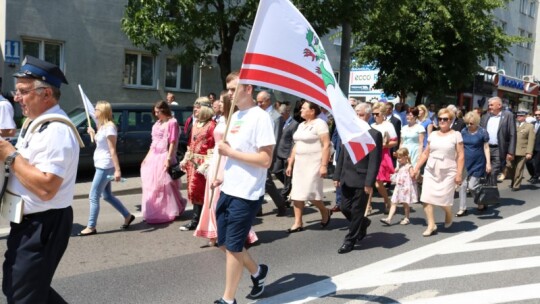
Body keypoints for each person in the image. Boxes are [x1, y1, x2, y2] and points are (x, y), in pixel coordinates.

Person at [0, 56, 81, 303]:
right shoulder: (36, 124)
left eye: (23, 92)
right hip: (29, 222)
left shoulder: (56, 130)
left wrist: (10, 155)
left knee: (22, 294)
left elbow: (47, 188)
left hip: (44, 224)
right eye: (18, 91)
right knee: (21, 289)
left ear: (46, 93)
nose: (16, 98)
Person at [212, 72, 274, 304]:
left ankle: (228, 299)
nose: (229, 93)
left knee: (233, 246)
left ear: (248, 89)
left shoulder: (260, 117)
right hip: (229, 188)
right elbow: (231, 153)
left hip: (247, 193)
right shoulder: (235, 116)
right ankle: (258, 272)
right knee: (224, 244)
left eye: (233, 89)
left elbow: (265, 160)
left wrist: (231, 152)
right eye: (227, 89)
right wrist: (220, 174)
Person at [194, 93, 258, 246]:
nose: (218, 104)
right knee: (211, 194)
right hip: (217, 156)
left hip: (227, 157)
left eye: (222, 102)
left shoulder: (235, 119)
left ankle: (232, 232)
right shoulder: (220, 119)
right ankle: (213, 231)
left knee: (222, 195)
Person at [78, 101, 135, 236]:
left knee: (93, 196)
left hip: (105, 166)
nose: (94, 111)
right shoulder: (102, 126)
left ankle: (91, 226)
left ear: (103, 111)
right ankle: (127, 216)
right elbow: (100, 142)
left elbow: (112, 150)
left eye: (96, 109)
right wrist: (93, 132)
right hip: (101, 164)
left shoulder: (110, 127)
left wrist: (118, 170)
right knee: (107, 195)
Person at [333, 102, 382, 254]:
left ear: (368, 116)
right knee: (344, 207)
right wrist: (337, 175)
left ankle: (350, 240)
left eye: (361, 115)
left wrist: (369, 182)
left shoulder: (374, 134)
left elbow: (375, 161)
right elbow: (342, 155)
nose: (358, 117)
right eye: (356, 114)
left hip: (362, 178)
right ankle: (363, 222)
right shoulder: (349, 132)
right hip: (347, 177)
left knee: (357, 210)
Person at [413, 108, 464, 237]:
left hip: (448, 170)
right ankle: (431, 225)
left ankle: (448, 213)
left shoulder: (456, 135)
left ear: (451, 120)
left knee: (444, 200)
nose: (442, 121)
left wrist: (459, 174)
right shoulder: (433, 134)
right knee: (426, 197)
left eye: (445, 119)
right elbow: (426, 153)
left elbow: (461, 155)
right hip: (431, 169)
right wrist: (416, 168)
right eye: (440, 119)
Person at [286, 101, 332, 233]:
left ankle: (325, 211)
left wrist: (324, 165)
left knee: (311, 193)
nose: (300, 110)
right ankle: (298, 222)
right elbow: (296, 145)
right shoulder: (301, 125)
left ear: (312, 111)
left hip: (314, 163)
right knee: (297, 193)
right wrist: (290, 163)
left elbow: (326, 145)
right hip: (300, 163)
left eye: (304, 108)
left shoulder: (320, 124)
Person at [141, 100, 186, 224]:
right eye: (155, 112)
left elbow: (172, 142)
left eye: (158, 112)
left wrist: (168, 159)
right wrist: (146, 158)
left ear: (164, 110)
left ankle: (170, 210)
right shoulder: (157, 124)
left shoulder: (172, 123)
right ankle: (157, 210)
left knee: (166, 185)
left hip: (164, 155)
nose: (156, 114)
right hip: (154, 156)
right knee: (153, 186)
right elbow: (153, 143)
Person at [179, 97, 216, 231]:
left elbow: (214, 147)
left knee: (202, 192)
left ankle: (199, 220)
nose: (195, 109)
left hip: (203, 164)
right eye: (195, 107)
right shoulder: (196, 124)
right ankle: (198, 219)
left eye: (198, 107)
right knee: (193, 191)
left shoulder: (212, 125)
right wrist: (185, 159)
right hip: (193, 162)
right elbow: (191, 145)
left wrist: (206, 164)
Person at [257, 90, 287, 216]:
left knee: (266, 181)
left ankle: (281, 204)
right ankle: (257, 208)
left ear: (268, 100)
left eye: (261, 102)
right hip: (255, 151)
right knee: (258, 180)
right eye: (257, 102)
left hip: (267, 153)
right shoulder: (257, 113)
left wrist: (270, 157)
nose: (258, 104)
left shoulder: (276, 117)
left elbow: (275, 139)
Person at [366, 102, 397, 216]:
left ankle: (386, 200)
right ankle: (368, 205)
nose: (375, 116)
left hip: (382, 155)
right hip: (371, 154)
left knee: (378, 183)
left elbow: (394, 142)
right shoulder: (372, 126)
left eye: (377, 113)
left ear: (383, 113)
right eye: (373, 114)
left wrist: (383, 145)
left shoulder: (388, 125)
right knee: (369, 181)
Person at [458, 111, 491, 216]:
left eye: (471, 123)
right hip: (465, 162)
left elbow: (486, 148)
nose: (468, 125)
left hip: (478, 162)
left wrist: (488, 163)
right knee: (462, 186)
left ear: (476, 122)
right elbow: (459, 147)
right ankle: (462, 208)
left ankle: (481, 201)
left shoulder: (482, 132)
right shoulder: (463, 131)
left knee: (472, 186)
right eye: (467, 123)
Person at [479, 96, 516, 187]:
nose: (489, 107)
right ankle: (491, 193)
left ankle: (490, 193)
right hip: (485, 148)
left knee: (493, 171)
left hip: (499, 149)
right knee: (485, 171)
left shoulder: (508, 115)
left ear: (499, 105)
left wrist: (511, 152)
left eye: (491, 105)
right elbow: (480, 131)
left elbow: (513, 134)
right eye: (489, 105)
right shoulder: (485, 116)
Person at [381, 148, 417, 226]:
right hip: (398, 187)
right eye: (397, 158)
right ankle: (389, 219)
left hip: (405, 188)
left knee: (405, 204)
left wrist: (414, 174)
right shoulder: (400, 165)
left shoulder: (409, 166)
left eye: (400, 158)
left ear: (406, 157)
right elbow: (395, 171)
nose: (398, 159)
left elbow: (412, 175)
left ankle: (407, 218)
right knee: (393, 202)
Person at [272, 102, 299, 205]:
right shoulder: (280, 122)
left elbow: (294, 141)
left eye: (282, 113)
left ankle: (283, 198)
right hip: (279, 152)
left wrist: (291, 156)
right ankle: (290, 187)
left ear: (287, 112)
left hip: (288, 153)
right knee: (276, 171)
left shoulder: (294, 124)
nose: (280, 115)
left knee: (287, 176)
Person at [506, 110, 535, 191]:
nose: (518, 117)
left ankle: (516, 185)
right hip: (511, 151)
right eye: (517, 115)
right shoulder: (512, 125)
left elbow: (531, 140)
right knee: (509, 166)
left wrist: (529, 152)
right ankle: (513, 180)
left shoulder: (529, 126)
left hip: (522, 151)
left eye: (521, 116)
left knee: (519, 169)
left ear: (525, 117)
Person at [526, 110, 540, 183]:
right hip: (531, 147)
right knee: (528, 162)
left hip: (539, 147)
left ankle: (536, 176)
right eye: (536, 115)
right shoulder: (532, 124)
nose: (537, 116)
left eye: (539, 115)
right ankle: (533, 174)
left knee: (537, 163)